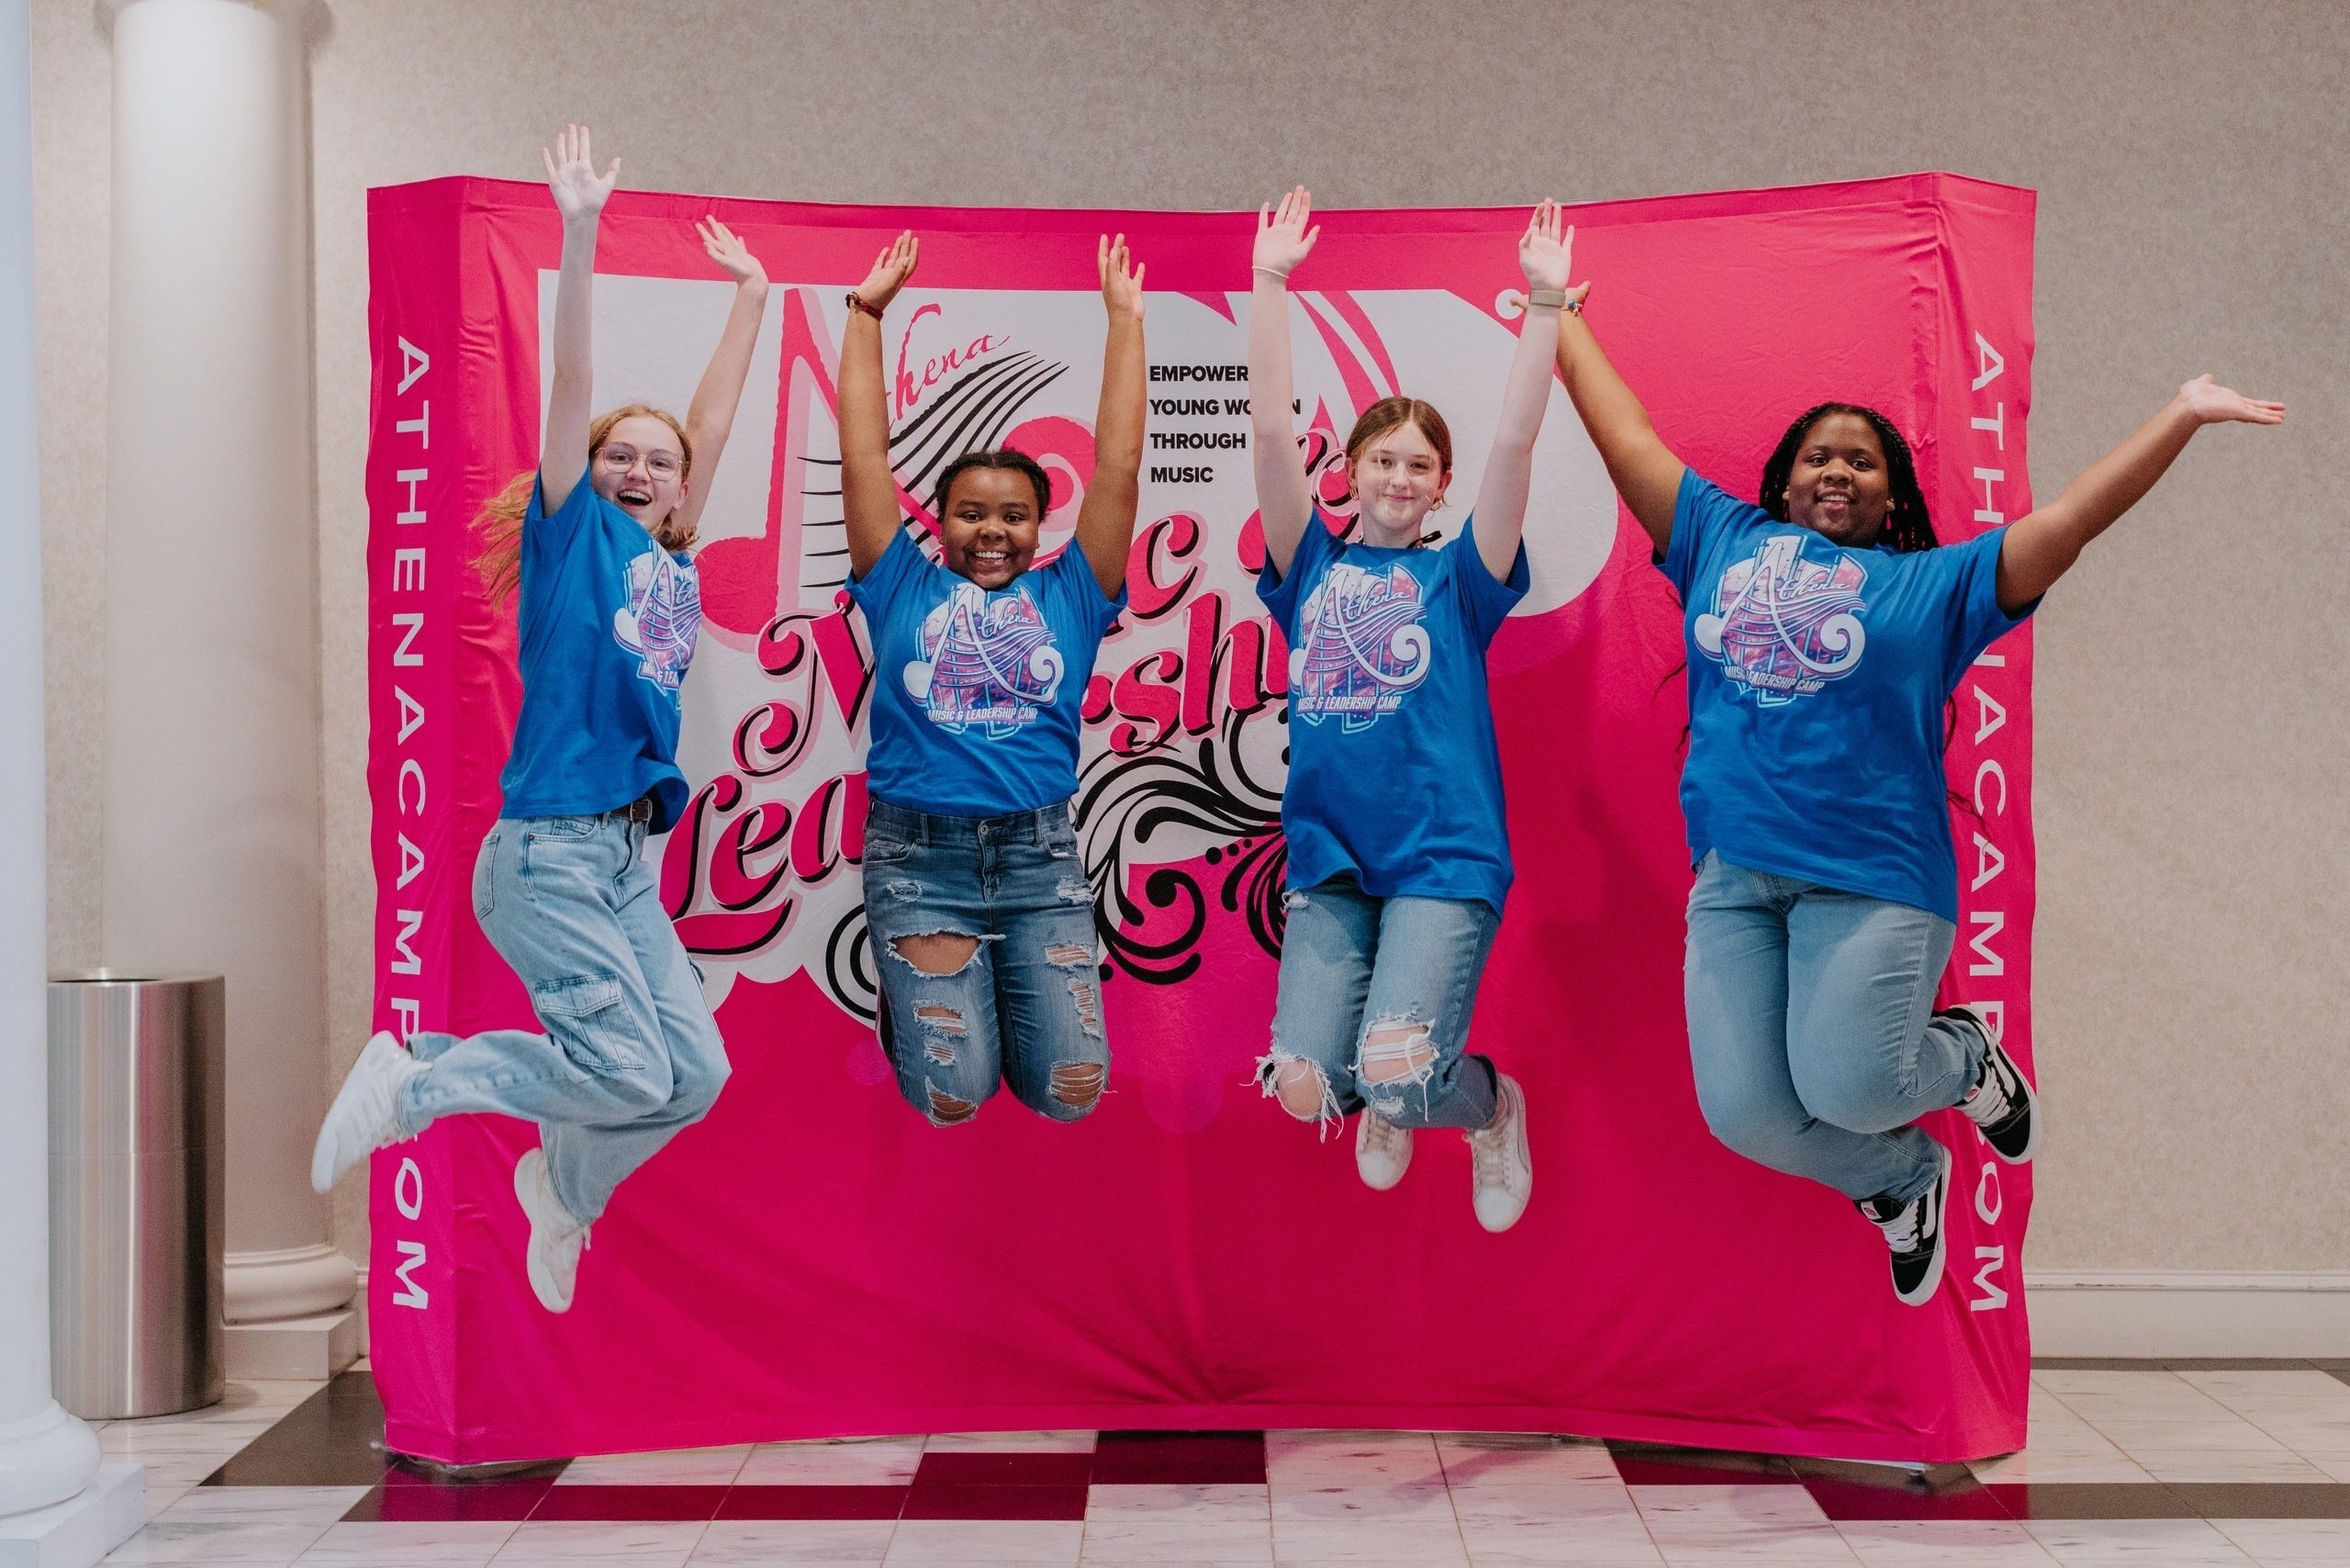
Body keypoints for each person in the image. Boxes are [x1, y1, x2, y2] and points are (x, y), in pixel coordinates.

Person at [1551, 265, 2283, 1302]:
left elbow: (2068, 523)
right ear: (1785, 482)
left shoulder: (1933, 586)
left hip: (1872, 881)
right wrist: (1559, 314)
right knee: (1748, 1114)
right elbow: (1624, 436)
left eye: (1861, 459)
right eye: (1818, 456)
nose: (1837, 470)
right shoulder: (1718, 536)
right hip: (1734, 881)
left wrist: (2180, 414)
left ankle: (1965, 1058)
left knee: (1853, 1084)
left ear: (1891, 494)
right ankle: (1902, 1177)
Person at [312, 127, 772, 1313]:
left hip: (624, 861)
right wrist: (579, 234)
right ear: (587, 469)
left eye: (655, 460)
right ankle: (415, 1079)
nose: (636, 466)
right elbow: (569, 387)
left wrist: (755, 297)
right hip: (549, 853)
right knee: (625, 1066)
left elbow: (712, 424)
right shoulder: (573, 540)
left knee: (694, 1076)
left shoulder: (668, 557)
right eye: (616, 453)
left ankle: (563, 1191)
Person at [1248, 189, 1583, 1232]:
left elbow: (1515, 452)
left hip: (1441, 855)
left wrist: (1542, 306)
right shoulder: (1307, 566)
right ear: (1348, 472)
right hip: (1330, 859)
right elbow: (1266, 428)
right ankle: (1390, 1086)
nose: (1397, 477)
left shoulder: (1460, 578)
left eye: (1417, 465)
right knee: (1303, 1082)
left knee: (1393, 1074)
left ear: (1437, 487)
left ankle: (1484, 1104)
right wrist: (1268, 284)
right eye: (1379, 459)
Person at [836, 230, 1146, 1126]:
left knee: (1067, 1093)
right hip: (917, 859)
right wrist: (866, 316)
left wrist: (1123, 322)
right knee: (953, 1097)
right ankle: (916, 990)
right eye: (971, 513)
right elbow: (864, 459)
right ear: (937, 522)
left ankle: (975, 988)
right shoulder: (899, 580)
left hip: (1038, 860)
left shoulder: (1074, 594)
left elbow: (1118, 466)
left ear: (1040, 522)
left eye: (1013, 514)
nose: (992, 531)